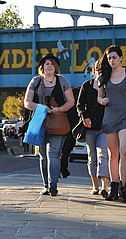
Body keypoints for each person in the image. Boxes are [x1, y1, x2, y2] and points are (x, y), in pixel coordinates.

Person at [95, 45, 126, 202]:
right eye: (109, 58)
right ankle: (114, 187)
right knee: (113, 154)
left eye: (114, 57)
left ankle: (124, 187)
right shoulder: (104, 76)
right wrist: (101, 100)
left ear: (121, 58)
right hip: (110, 117)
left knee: (125, 152)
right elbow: (99, 96)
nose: (112, 61)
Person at [24, 53, 75, 196]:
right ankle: (46, 185)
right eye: (46, 63)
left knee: (53, 153)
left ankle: (53, 185)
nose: (49, 66)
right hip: (40, 121)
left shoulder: (62, 81)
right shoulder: (36, 81)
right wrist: (41, 108)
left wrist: (59, 109)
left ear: (56, 66)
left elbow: (71, 101)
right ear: (42, 67)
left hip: (58, 121)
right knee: (43, 155)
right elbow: (27, 102)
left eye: (52, 63)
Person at [77, 60, 110, 197]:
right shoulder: (87, 86)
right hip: (90, 127)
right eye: (97, 68)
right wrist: (85, 117)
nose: (99, 71)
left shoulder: (109, 86)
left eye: (102, 68)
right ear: (93, 70)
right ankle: (95, 186)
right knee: (92, 157)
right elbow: (79, 105)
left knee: (104, 155)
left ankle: (105, 187)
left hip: (105, 126)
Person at [60, 87, 80, 178]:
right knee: (66, 152)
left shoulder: (65, 105)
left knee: (60, 152)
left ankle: (60, 169)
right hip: (72, 131)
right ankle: (63, 170)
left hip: (62, 129)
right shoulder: (77, 107)